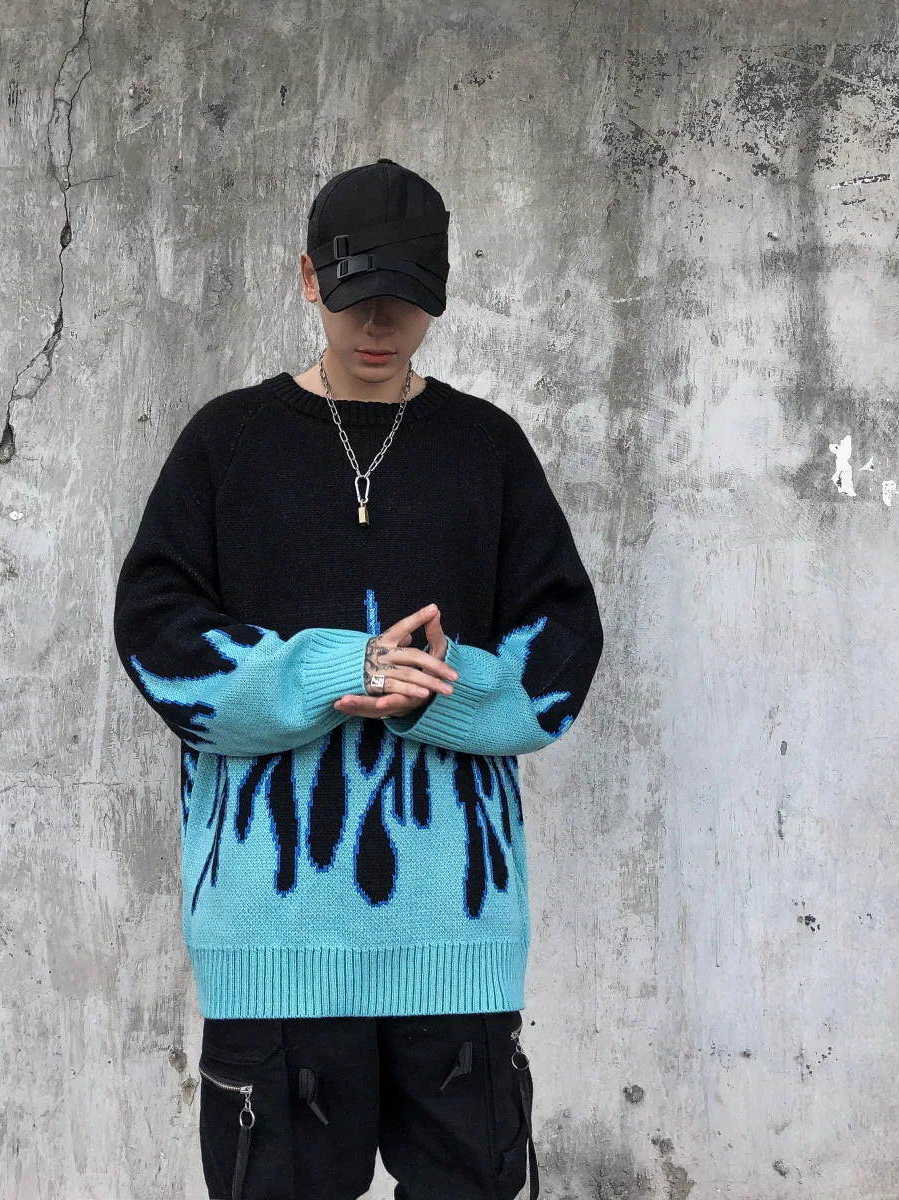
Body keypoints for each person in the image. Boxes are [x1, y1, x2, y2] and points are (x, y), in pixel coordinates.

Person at [113, 158, 604, 1200]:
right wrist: (339, 668)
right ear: (307, 278)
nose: (379, 324)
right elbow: (156, 638)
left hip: (456, 936)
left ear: (440, 292)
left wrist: (441, 689)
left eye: (407, 300)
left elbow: (563, 649)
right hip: (274, 937)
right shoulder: (228, 442)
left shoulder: (487, 448)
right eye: (355, 297)